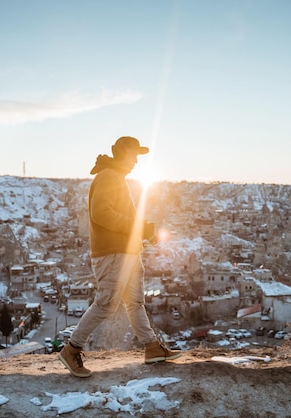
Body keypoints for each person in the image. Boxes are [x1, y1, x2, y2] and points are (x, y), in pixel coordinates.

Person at [58, 136, 181, 378]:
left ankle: (152, 348)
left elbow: (120, 221)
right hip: (113, 254)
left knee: (135, 303)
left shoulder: (116, 178)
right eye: (133, 155)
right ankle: (71, 350)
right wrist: (137, 227)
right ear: (122, 154)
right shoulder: (108, 177)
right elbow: (102, 214)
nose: (136, 161)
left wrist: (143, 234)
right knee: (106, 303)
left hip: (126, 253)